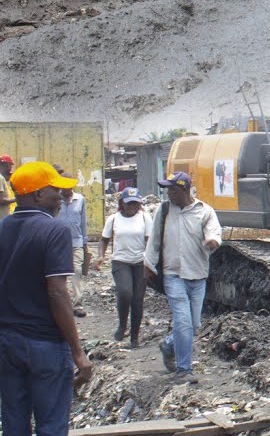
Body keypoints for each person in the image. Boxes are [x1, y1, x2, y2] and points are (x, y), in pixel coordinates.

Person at [0, 162, 93, 436]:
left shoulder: (2, 228)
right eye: (55, 190)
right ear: (38, 195)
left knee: (14, 422)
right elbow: (57, 292)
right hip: (45, 345)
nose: (62, 196)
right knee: (51, 425)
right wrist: (78, 352)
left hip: (6, 343)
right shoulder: (55, 230)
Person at [144, 172, 222, 383]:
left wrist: (213, 241)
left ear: (185, 190)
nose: (169, 193)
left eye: (173, 190)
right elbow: (155, 240)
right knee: (183, 321)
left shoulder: (205, 211)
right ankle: (183, 370)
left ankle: (169, 344)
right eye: (167, 189)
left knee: (194, 325)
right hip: (173, 275)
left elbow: (214, 232)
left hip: (198, 276)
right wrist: (148, 264)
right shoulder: (165, 209)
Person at [98, 189, 152, 347]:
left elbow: (150, 240)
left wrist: (150, 260)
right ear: (122, 203)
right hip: (120, 261)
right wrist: (101, 256)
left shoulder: (144, 217)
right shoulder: (114, 219)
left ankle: (134, 337)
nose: (132, 206)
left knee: (137, 300)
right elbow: (103, 240)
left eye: (135, 203)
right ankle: (122, 325)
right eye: (129, 203)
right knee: (125, 292)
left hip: (140, 262)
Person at [51, 167, 89, 318]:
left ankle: (77, 304)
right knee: (59, 273)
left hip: (76, 241)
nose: (65, 190)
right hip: (58, 242)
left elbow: (83, 222)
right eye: (63, 187)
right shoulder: (55, 200)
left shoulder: (80, 199)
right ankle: (60, 303)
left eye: (68, 187)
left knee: (77, 271)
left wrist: (85, 243)